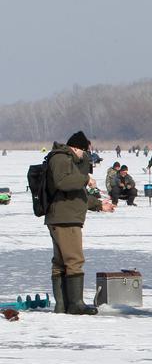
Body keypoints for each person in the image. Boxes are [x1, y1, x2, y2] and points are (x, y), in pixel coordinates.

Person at [45, 131, 114, 315]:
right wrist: (86, 179)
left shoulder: (68, 162)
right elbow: (63, 183)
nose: (85, 155)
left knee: (61, 262)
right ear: (76, 147)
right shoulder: (60, 158)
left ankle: (62, 305)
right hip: (65, 219)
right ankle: (75, 304)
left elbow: (77, 196)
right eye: (84, 151)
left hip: (65, 217)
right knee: (74, 260)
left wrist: (99, 205)